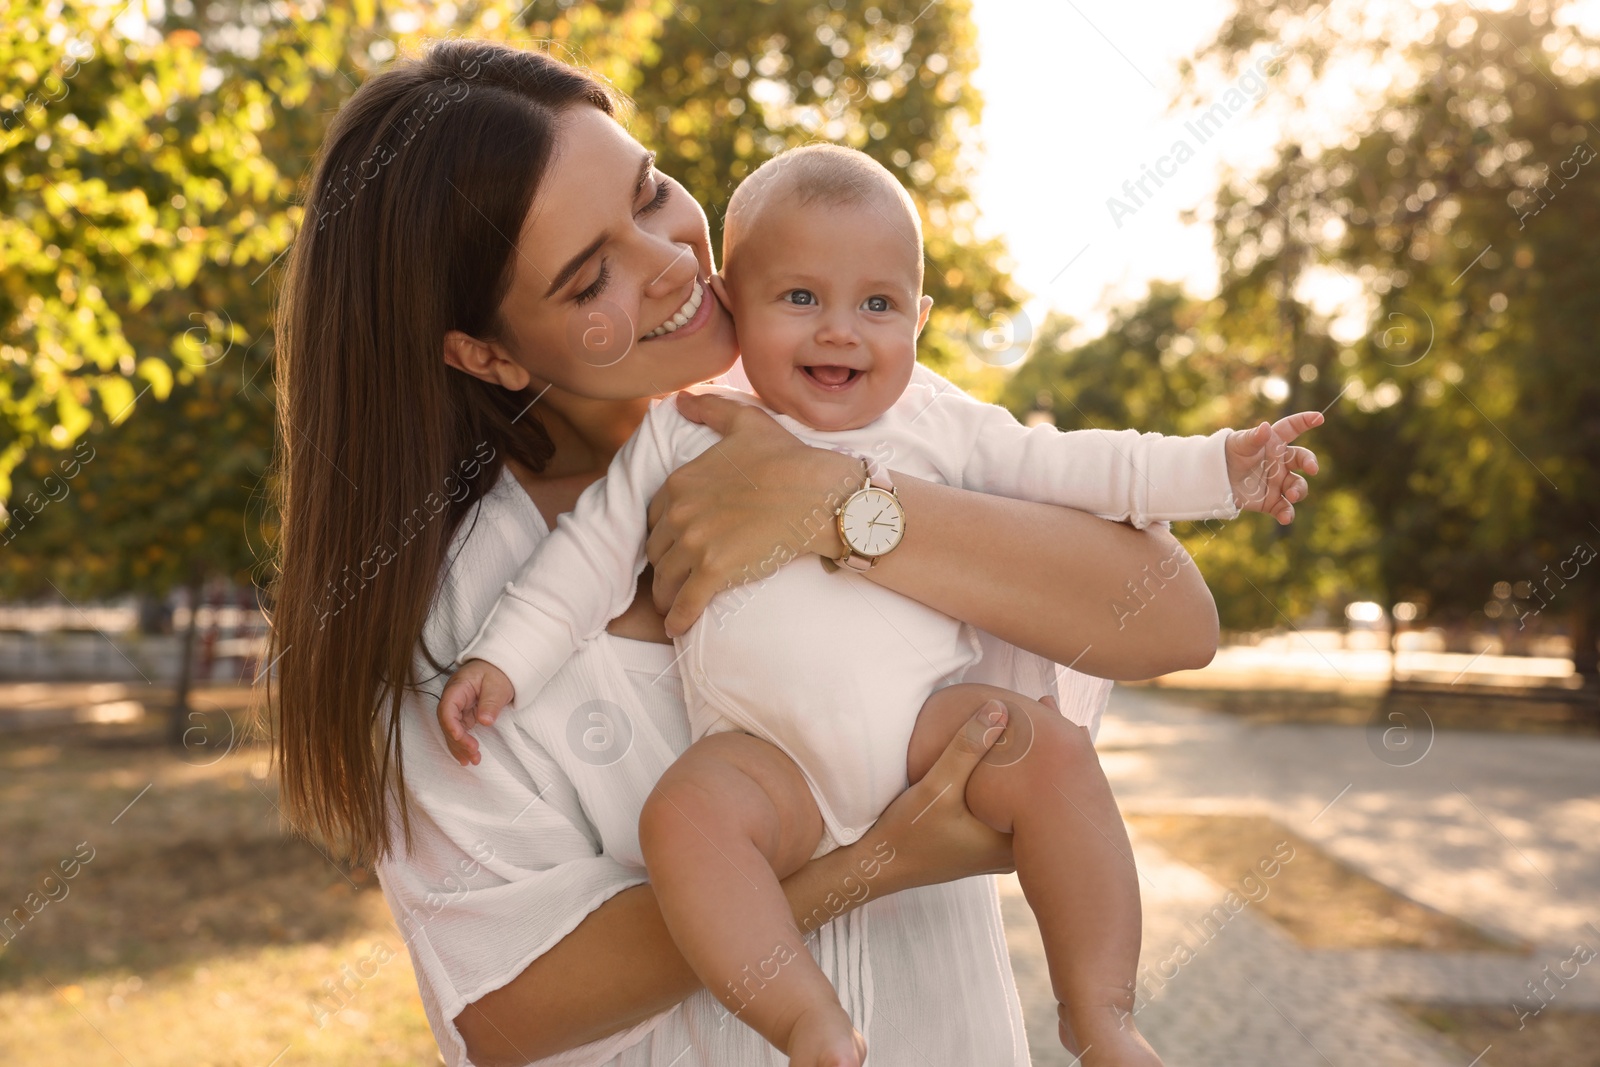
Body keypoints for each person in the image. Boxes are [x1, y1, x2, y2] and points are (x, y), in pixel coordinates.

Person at [269, 40, 1308, 1067]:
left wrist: (836, 505)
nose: (672, 262)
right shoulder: (463, 607)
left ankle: (1104, 1019)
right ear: (486, 351)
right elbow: (506, 1010)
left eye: (649, 193)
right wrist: (872, 860)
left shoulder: (877, 409)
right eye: (592, 278)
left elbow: (1172, 616)